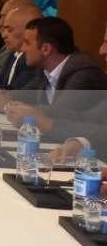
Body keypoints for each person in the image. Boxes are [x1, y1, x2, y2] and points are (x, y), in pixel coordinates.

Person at [4, 18, 107, 139]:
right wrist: (7, 98)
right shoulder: (44, 66)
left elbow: (63, 111)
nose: (101, 50)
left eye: (27, 43)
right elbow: (88, 118)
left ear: (46, 49)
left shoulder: (85, 72)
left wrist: (34, 116)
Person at [48, 23, 107, 162]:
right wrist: (81, 143)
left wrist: (47, 123)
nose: (101, 50)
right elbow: (88, 119)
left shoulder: (83, 68)